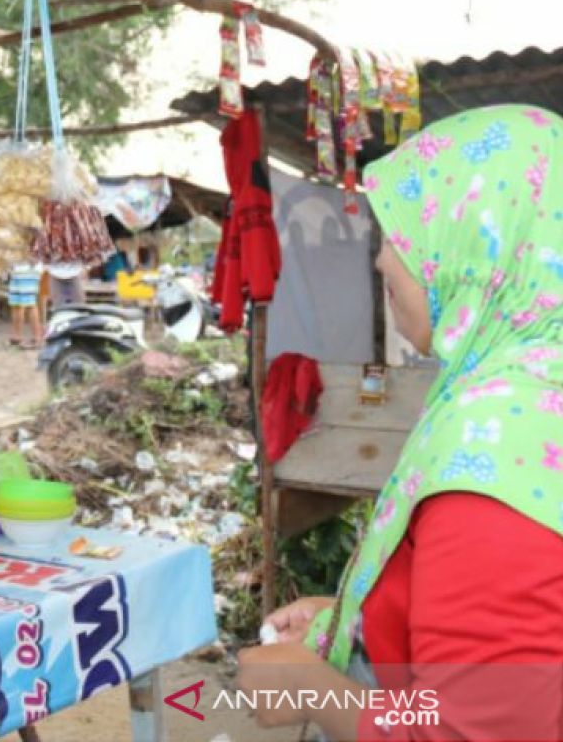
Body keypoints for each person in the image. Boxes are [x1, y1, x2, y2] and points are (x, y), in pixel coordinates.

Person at [237, 105, 563, 740]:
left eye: (409, 237)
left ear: (481, 247)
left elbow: (466, 729)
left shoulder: (499, 459)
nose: (383, 262)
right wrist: (358, 619)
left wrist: (312, 686)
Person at [6, 263, 43, 349]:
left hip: (28, 269)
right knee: (16, 304)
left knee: (29, 304)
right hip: (17, 269)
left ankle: (36, 337)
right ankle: (17, 336)